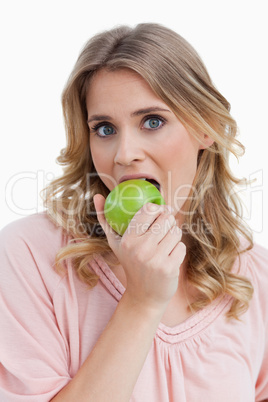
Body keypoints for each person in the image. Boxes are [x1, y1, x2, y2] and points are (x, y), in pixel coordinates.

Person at [0, 23, 267, 402]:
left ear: (207, 128)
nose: (124, 154)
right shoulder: (29, 256)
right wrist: (142, 303)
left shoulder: (253, 276)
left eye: (152, 122)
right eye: (105, 128)